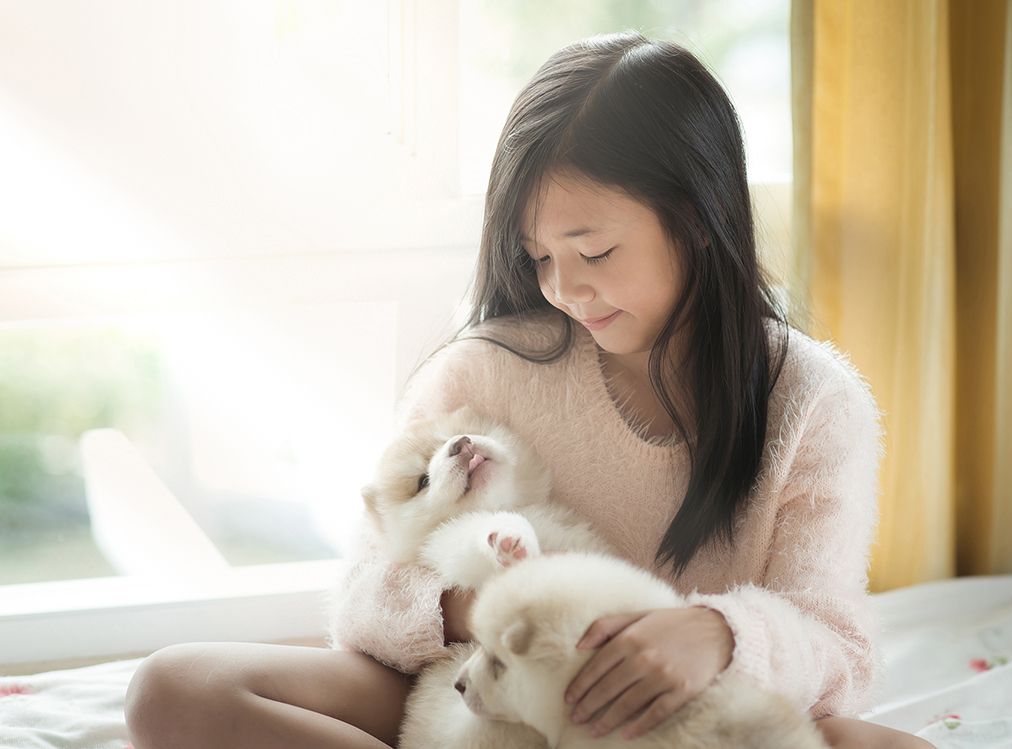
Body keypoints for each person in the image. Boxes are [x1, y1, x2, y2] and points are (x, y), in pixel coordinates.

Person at [125, 32, 934, 749]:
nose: (565, 290)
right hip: (474, 698)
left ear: (699, 214)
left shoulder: (811, 400)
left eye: (595, 249)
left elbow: (834, 645)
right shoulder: (483, 368)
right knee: (175, 689)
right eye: (539, 256)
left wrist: (713, 635)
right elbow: (367, 598)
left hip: (676, 720)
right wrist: (488, 614)